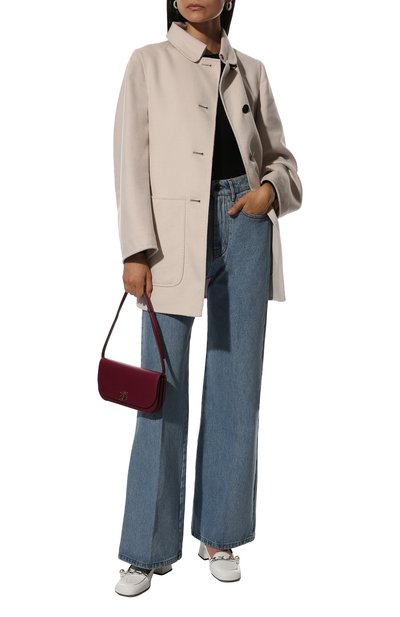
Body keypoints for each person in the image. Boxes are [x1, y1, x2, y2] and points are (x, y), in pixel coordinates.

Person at [113, 0, 302, 597]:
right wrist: (136, 249)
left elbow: (284, 163)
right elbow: (130, 163)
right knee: (159, 390)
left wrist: (268, 192)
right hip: (170, 240)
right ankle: (146, 549)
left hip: (244, 226)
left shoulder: (251, 70)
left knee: (236, 387)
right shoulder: (147, 63)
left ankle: (220, 535)